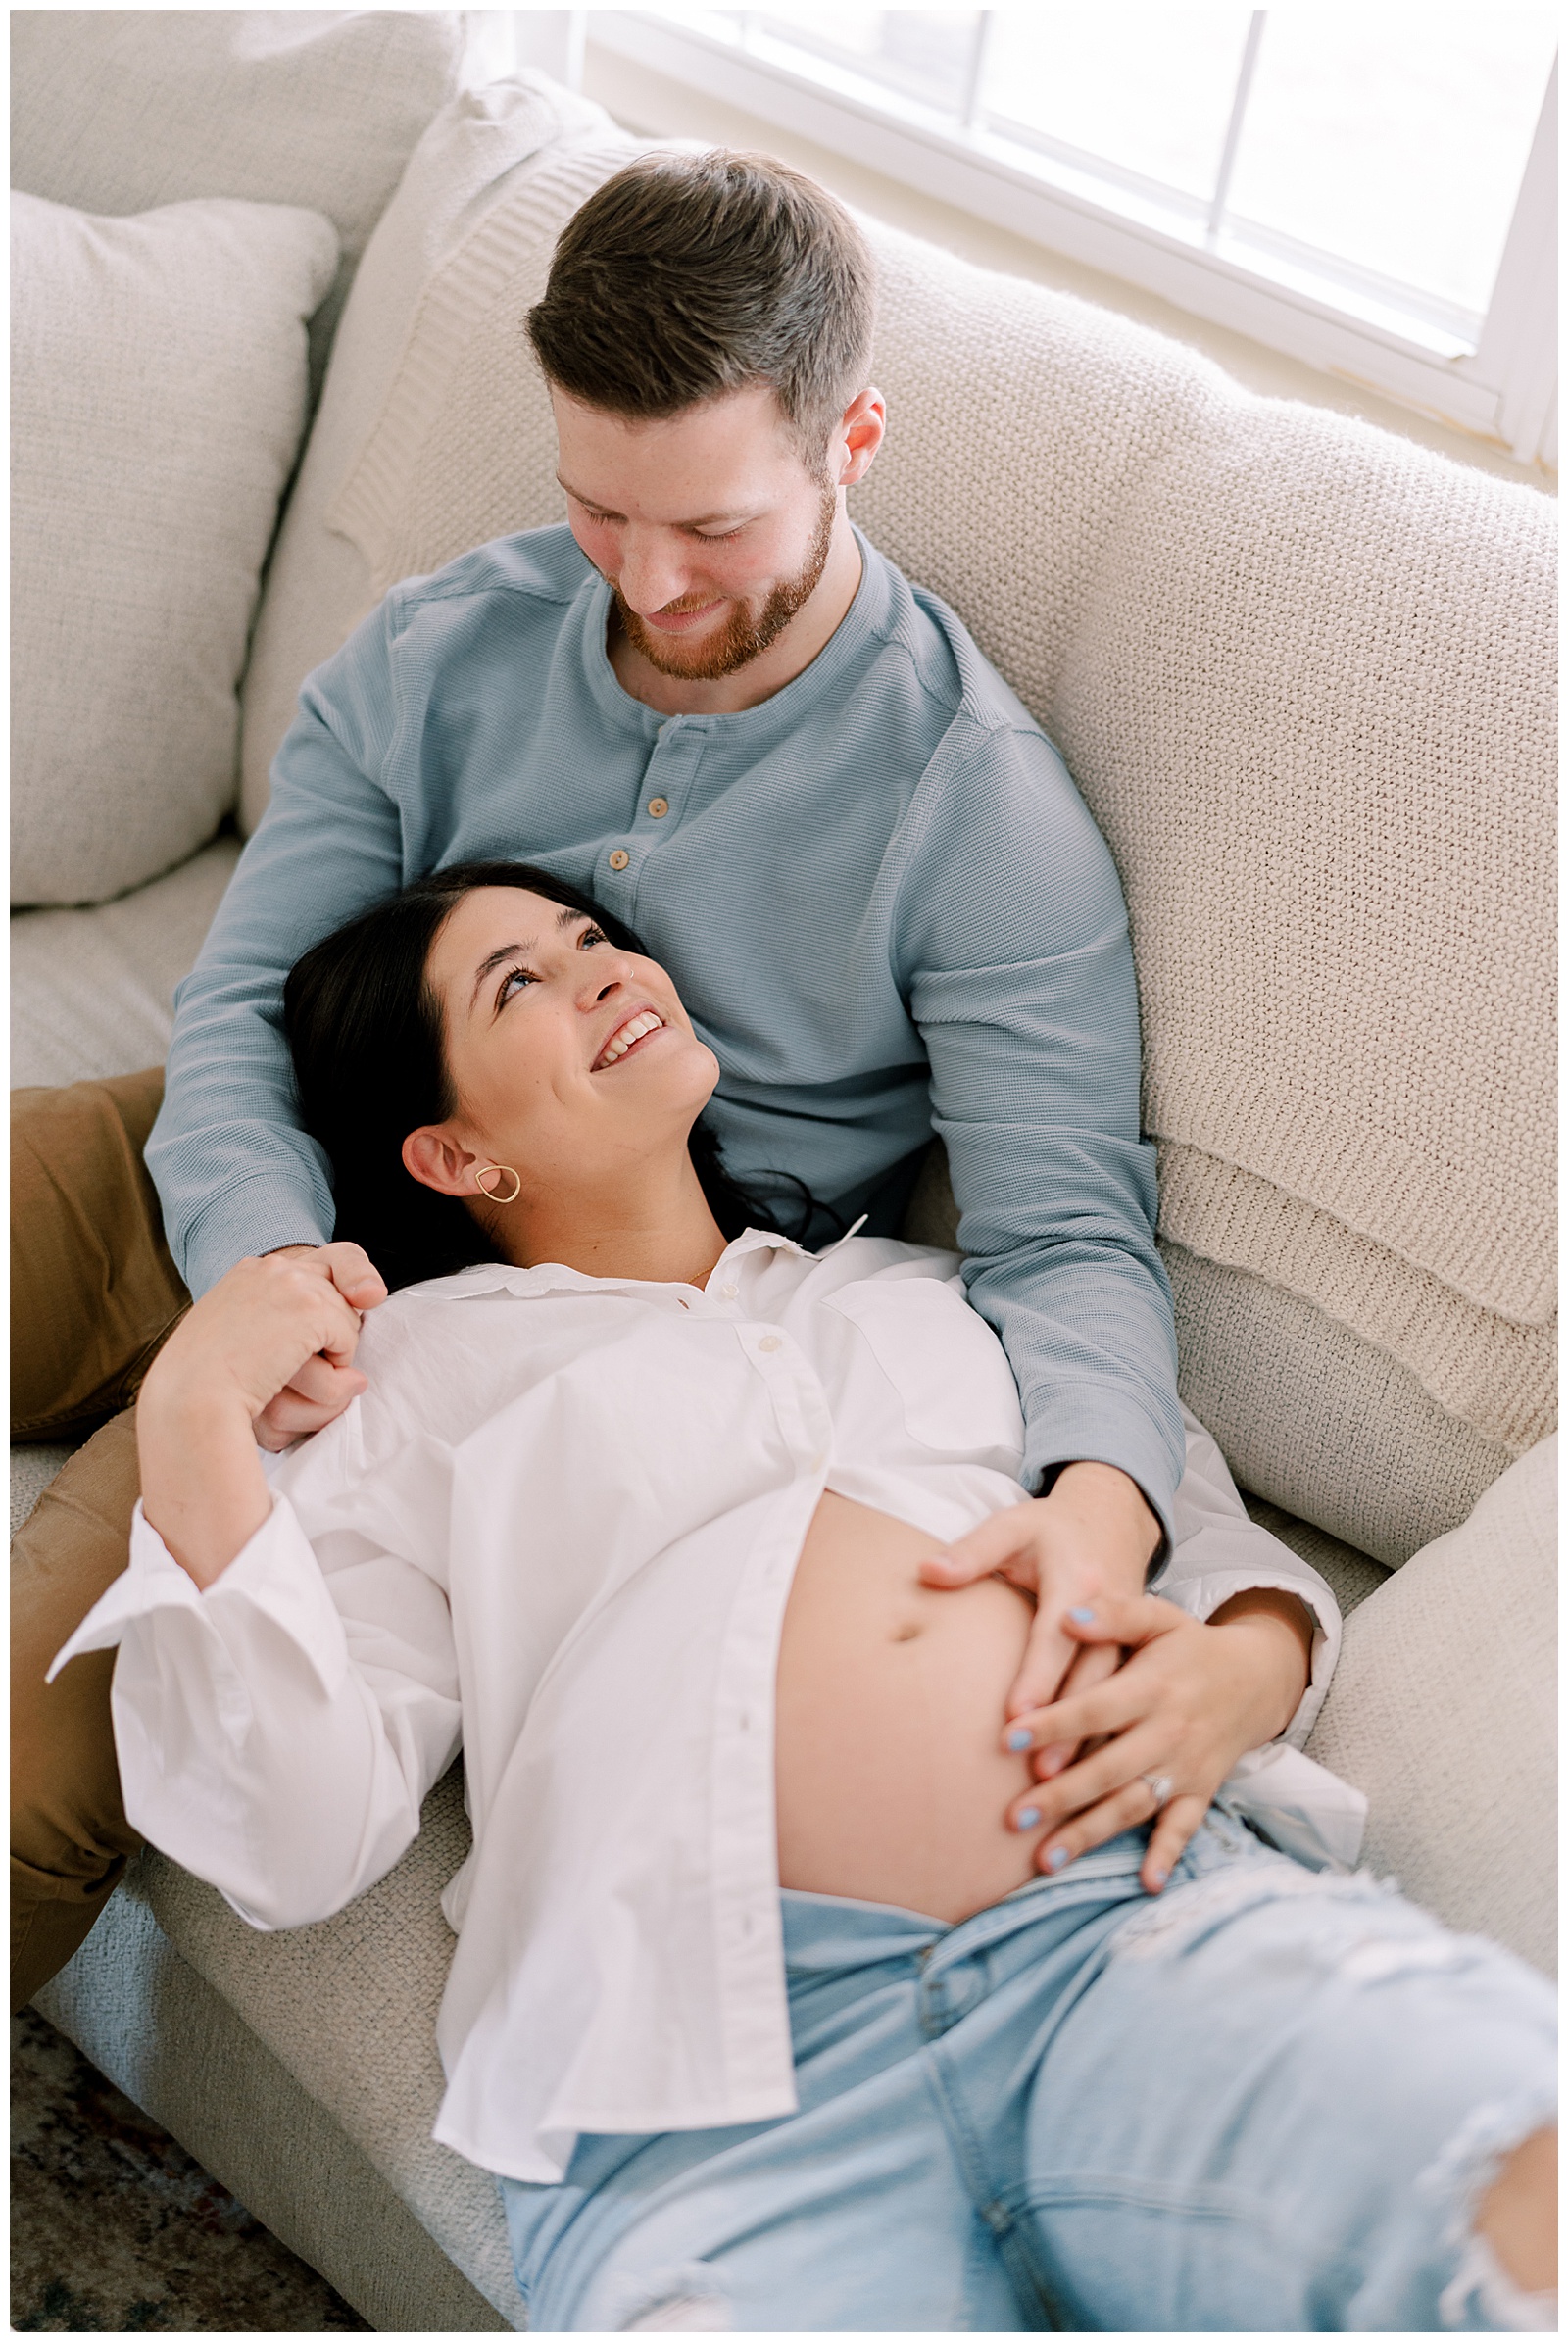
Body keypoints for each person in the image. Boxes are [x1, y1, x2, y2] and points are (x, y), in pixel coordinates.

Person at [0, 149, 1444, 2000]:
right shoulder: (441, 650)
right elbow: (239, 1011)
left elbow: (1069, 1236)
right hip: (240, 1167)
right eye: (601, 512)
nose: (652, 583)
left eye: (713, 527)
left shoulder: (980, 815)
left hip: (518, 1336)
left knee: (28, 1777)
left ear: (853, 438)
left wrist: (1103, 1501)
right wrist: (272, 1274)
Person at [54, 865, 1556, 2333]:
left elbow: (1206, 1532)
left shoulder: (938, 1293)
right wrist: (194, 1409)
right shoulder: (423, 1378)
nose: (604, 969)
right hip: (712, 2088)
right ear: (453, 1155)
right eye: (522, 979)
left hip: (1130, 1917)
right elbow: (290, 1835)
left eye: (596, 938)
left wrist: (1249, 1665)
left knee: (1511, 2175)